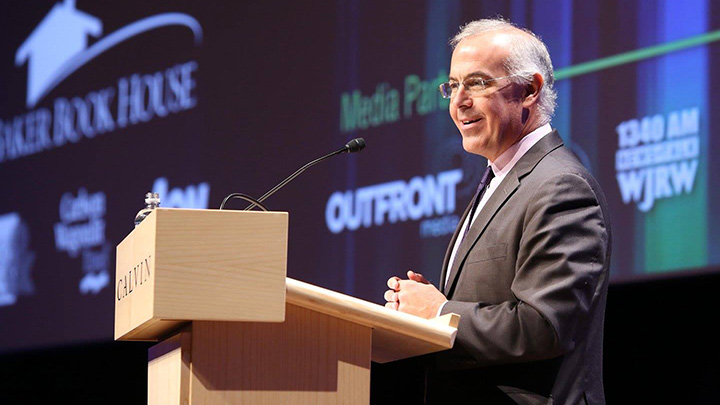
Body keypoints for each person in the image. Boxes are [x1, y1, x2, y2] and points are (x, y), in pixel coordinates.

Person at [384, 18, 611, 404]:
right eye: (453, 86)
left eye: (477, 83)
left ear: (529, 90)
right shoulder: (500, 178)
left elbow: (544, 326)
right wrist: (424, 307)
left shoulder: (559, 185)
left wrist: (440, 311)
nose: (459, 102)